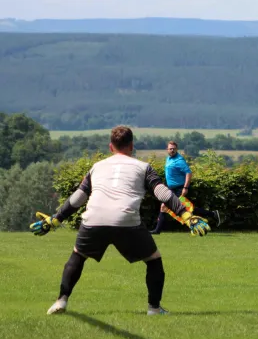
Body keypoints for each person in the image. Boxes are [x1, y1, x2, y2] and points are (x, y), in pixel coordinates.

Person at [29, 126, 211, 316]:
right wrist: (186, 215)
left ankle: (61, 301)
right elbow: (162, 193)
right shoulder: (143, 167)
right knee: (153, 260)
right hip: (126, 220)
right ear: (131, 146)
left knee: (78, 256)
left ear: (110, 147)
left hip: (93, 219)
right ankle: (154, 309)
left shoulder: (96, 167)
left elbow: (78, 197)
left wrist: (55, 220)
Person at [150, 141, 221, 235]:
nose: (172, 150)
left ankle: (213, 214)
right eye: (170, 148)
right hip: (171, 189)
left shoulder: (179, 160)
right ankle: (157, 230)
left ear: (177, 149)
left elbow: (188, 173)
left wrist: (185, 187)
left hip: (179, 188)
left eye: (174, 149)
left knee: (185, 208)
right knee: (169, 207)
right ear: (167, 149)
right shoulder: (169, 158)